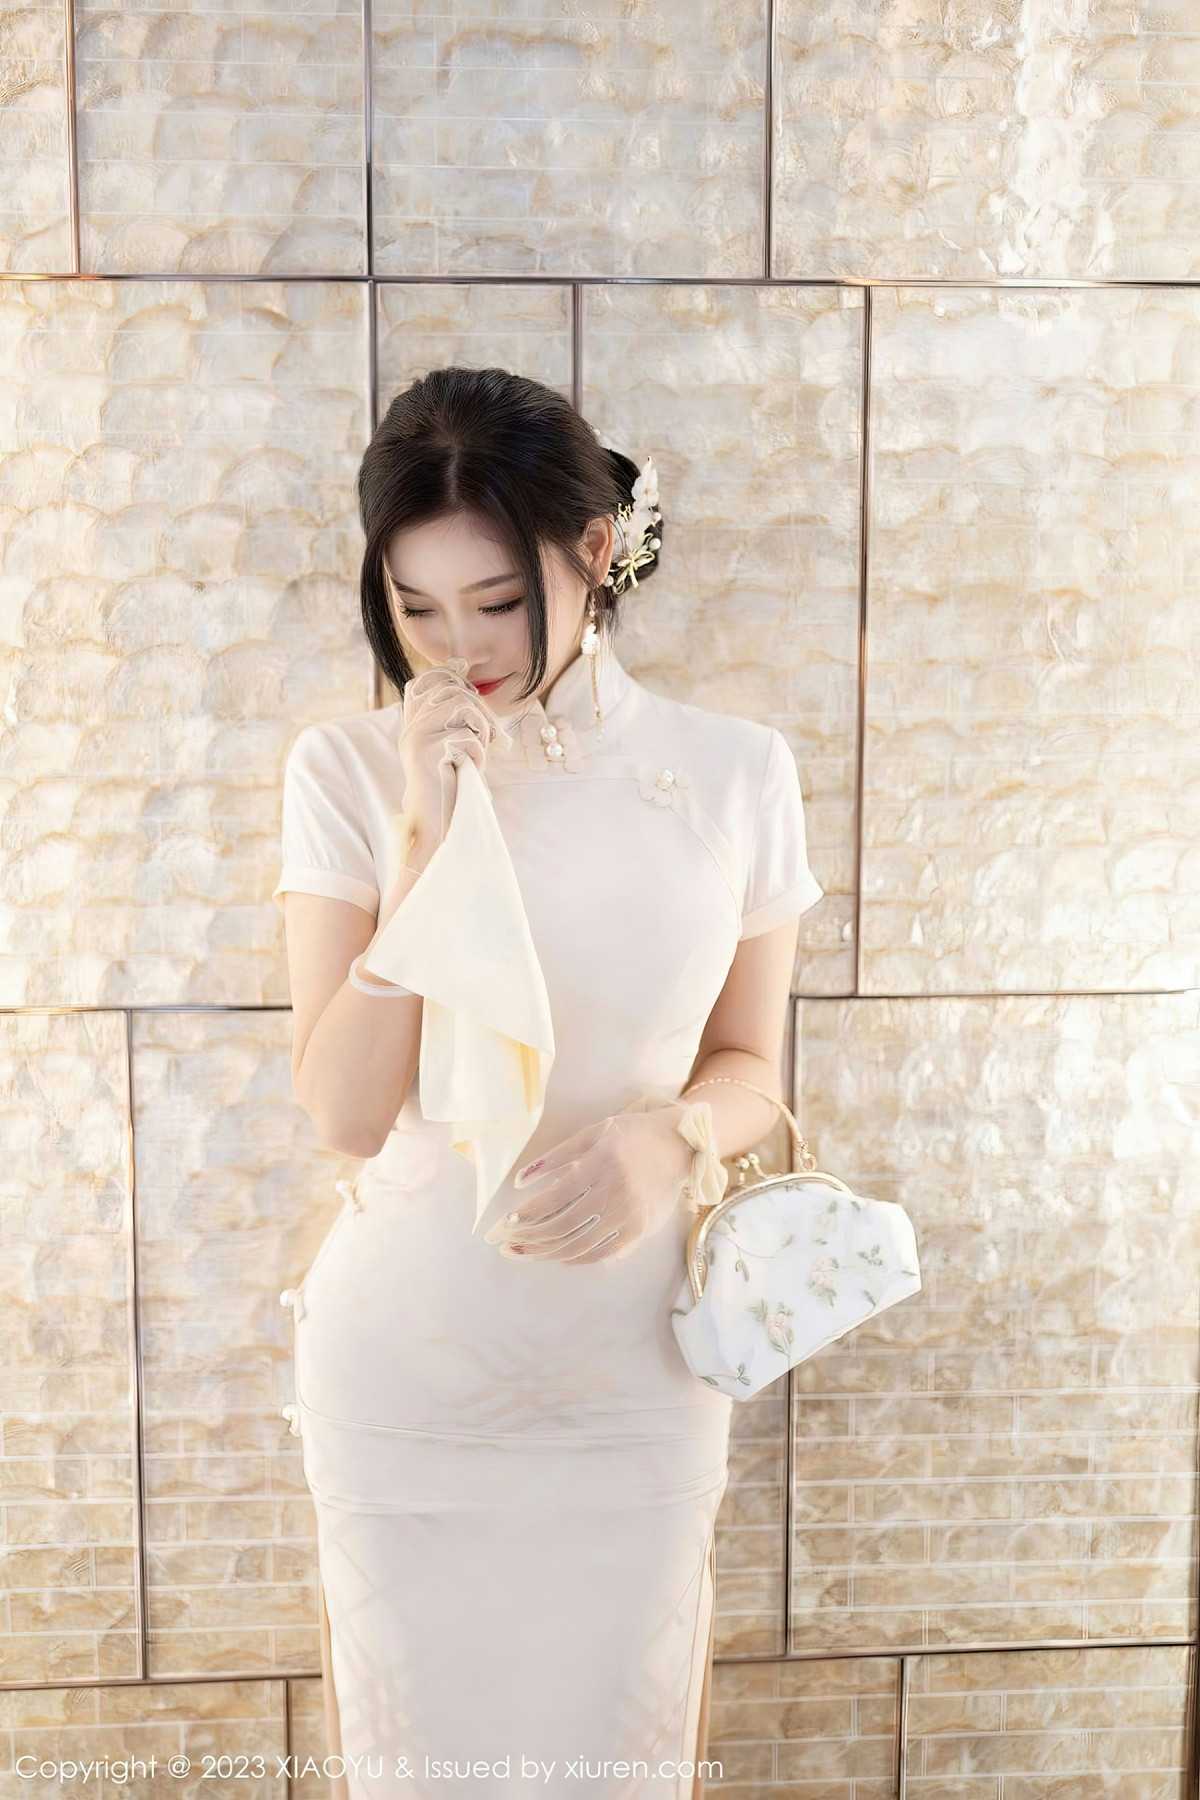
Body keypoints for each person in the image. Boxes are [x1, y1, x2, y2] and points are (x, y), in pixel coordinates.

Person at [272, 367, 825, 1798]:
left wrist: (672, 1140)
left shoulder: (737, 772)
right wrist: (424, 829)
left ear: (595, 551)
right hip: (409, 1375)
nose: (458, 648)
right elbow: (343, 1112)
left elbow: (751, 1065)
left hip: (632, 1378)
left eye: (498, 602)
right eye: (416, 609)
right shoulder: (345, 770)